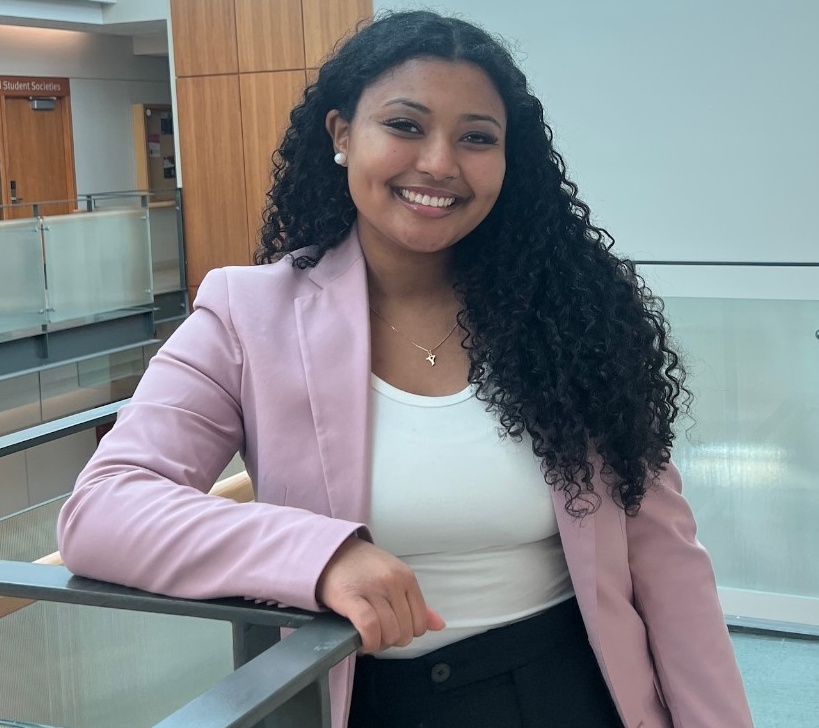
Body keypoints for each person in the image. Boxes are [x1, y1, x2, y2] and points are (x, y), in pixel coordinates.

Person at [57, 10, 754, 728]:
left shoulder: (572, 315)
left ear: (509, 161)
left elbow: (665, 560)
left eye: (476, 137)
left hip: (569, 688)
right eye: (404, 125)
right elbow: (104, 508)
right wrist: (320, 556)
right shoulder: (247, 314)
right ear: (340, 135)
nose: (439, 163)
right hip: (369, 700)